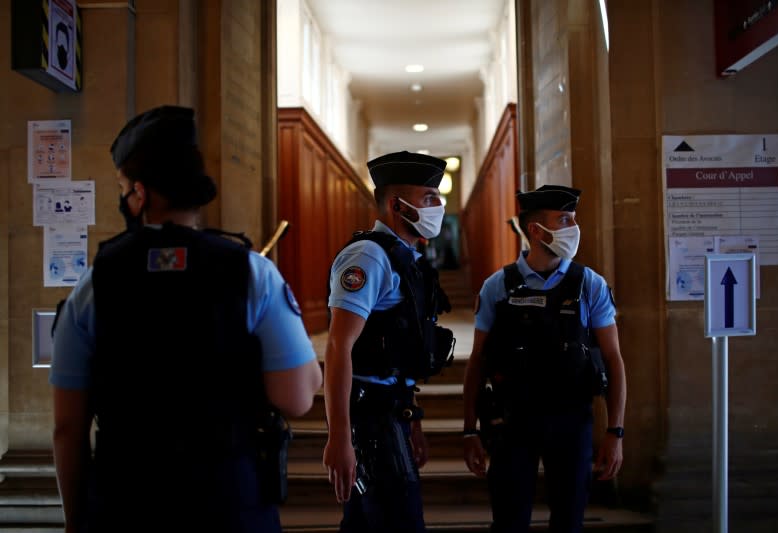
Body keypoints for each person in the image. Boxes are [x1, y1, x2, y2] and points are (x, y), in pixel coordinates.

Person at [50, 105, 322, 533]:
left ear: (140, 194)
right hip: (228, 501)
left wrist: (75, 524)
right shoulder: (252, 273)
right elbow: (298, 398)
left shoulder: (94, 284)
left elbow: (67, 428)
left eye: (124, 187)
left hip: (126, 504)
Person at [462, 185, 627, 533]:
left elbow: (613, 359)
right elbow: (477, 362)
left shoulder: (589, 285)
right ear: (536, 231)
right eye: (564, 220)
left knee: (569, 521)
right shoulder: (498, 286)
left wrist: (615, 431)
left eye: (574, 220)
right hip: (511, 422)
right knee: (509, 520)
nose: (573, 229)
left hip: (571, 420)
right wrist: (469, 430)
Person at [323, 150, 455, 533]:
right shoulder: (369, 257)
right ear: (399, 205)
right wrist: (338, 438)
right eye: (429, 198)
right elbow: (338, 348)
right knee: (399, 521)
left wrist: (412, 419)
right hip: (368, 421)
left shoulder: (407, 258)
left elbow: (400, 352)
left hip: (391, 413)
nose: (438, 206)